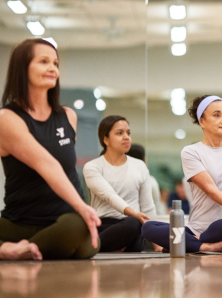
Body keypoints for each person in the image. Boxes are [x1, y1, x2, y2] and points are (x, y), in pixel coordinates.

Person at [0, 38, 100, 260]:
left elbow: (67, 170)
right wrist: (83, 207)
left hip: (66, 222)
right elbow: (47, 164)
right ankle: (11, 249)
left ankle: (23, 249)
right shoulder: (7, 118)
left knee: (79, 226)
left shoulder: (68, 117)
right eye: (44, 61)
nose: (52, 69)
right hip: (20, 223)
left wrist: (82, 211)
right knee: (79, 228)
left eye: (55, 63)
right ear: (22, 68)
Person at [142, 95, 222, 253]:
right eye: (216, 115)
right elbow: (211, 189)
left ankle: (189, 244)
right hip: (198, 229)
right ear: (202, 121)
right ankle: (203, 245)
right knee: (148, 227)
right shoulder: (191, 152)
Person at [83, 116, 156, 252]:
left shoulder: (139, 166)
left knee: (136, 225)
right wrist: (133, 214)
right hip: (105, 226)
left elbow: (148, 207)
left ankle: (109, 248)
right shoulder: (92, 167)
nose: (126, 137)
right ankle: (94, 246)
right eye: (119, 133)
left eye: (128, 133)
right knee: (134, 222)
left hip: (131, 226)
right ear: (106, 139)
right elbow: (109, 195)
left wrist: (158, 243)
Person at [128, 143, 166, 216]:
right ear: (144, 160)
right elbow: (157, 210)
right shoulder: (150, 181)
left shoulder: (149, 181)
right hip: (145, 222)